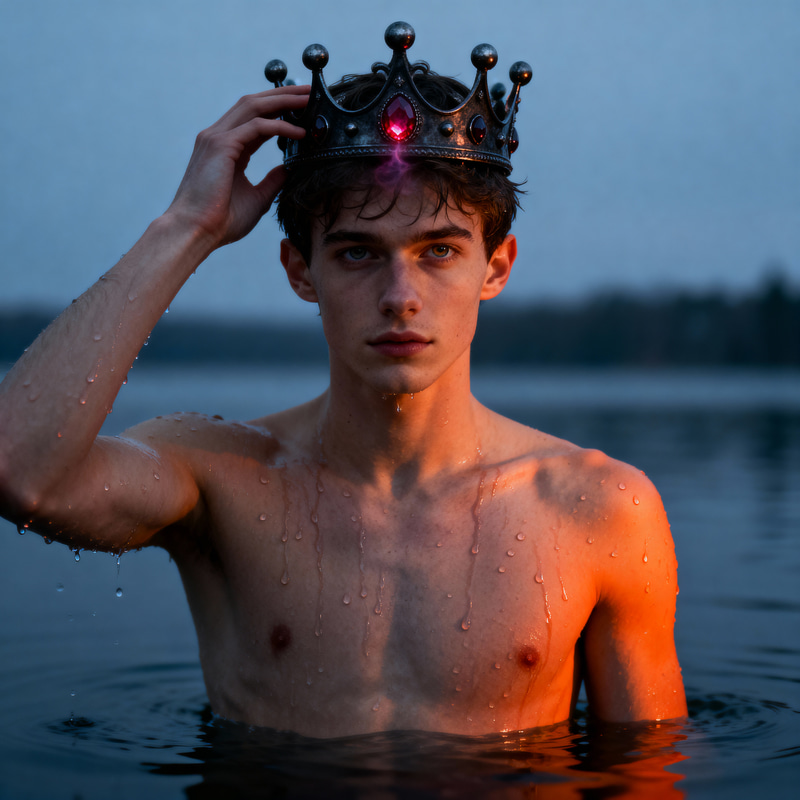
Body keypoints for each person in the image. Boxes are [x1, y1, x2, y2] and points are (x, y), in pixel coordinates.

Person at [0, 23, 686, 737]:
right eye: (359, 253)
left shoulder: (598, 510)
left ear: (497, 266)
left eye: (438, 251)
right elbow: (20, 471)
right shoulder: (219, 478)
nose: (400, 294)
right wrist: (185, 226)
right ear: (302, 271)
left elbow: (646, 774)